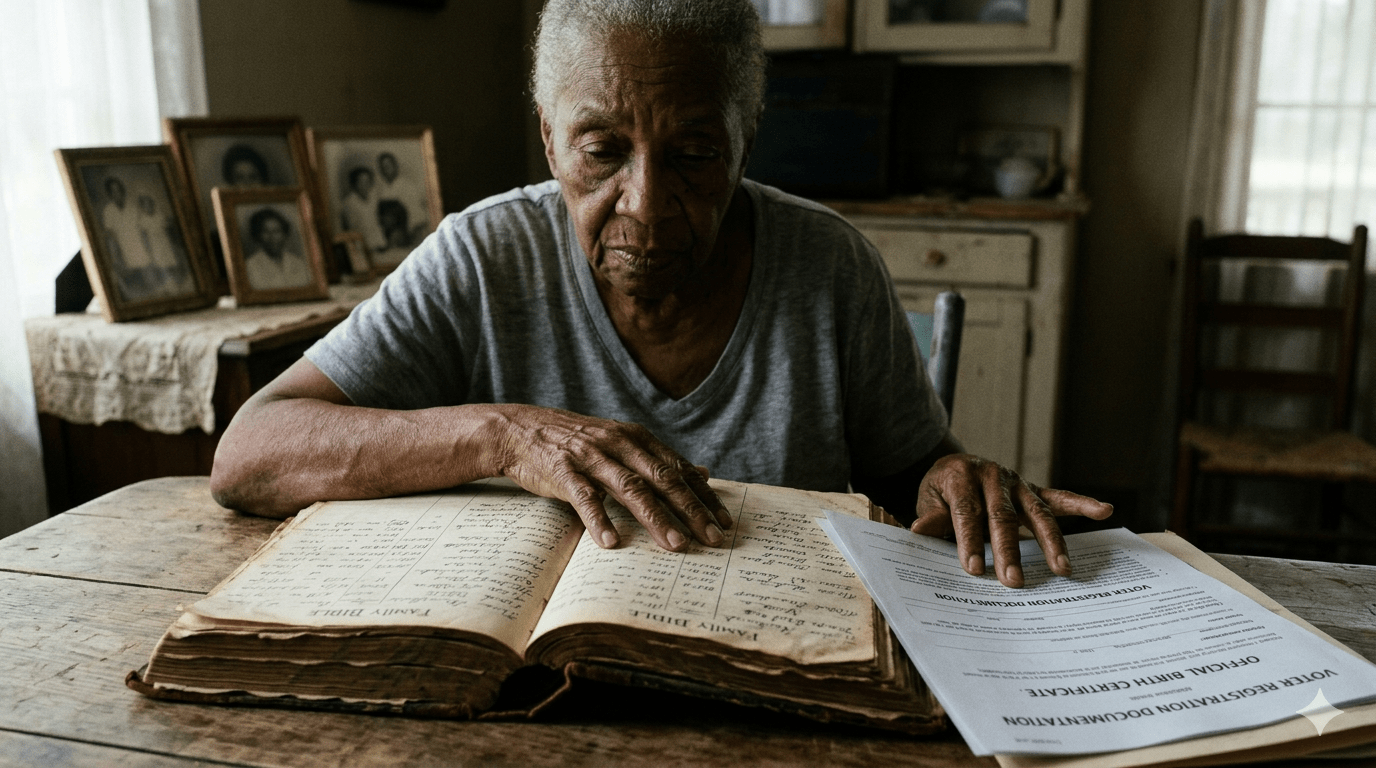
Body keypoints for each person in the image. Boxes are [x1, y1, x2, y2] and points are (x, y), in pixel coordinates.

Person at [211, 0, 1111, 589]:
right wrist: (504, 432)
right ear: (551, 141)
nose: (645, 203)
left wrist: (949, 476)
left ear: (746, 139)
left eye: (693, 154)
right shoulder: (482, 255)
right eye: (601, 150)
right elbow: (249, 455)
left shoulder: (831, 265)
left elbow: (909, 473)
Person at [99, 176, 151, 300]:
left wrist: (148, 245)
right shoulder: (108, 211)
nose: (117, 193)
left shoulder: (132, 205)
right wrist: (116, 253)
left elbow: (143, 226)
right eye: (113, 191)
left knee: (148, 274)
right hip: (123, 247)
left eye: (118, 190)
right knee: (132, 279)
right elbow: (110, 235)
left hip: (139, 244)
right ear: (110, 193)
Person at [242, 207, 313, 291]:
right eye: (265, 231)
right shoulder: (249, 267)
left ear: (284, 234)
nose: (272, 237)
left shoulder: (299, 263)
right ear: (258, 235)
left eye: (277, 231)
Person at [340, 166, 386, 251]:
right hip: (362, 247)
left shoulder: (373, 198)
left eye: (367, 181)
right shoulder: (349, 203)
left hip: (380, 243)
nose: (365, 185)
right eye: (361, 181)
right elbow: (352, 228)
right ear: (354, 183)